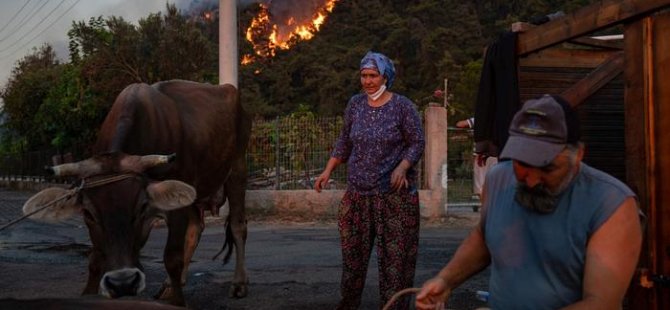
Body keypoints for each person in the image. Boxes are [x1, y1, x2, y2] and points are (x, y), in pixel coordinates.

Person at [416, 94, 642, 309]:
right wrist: (446, 280)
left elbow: (602, 304)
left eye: (547, 168)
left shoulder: (612, 203)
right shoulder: (498, 178)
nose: (531, 180)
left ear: (579, 155)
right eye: (522, 163)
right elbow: (484, 237)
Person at [314, 51, 425, 310]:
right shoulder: (355, 105)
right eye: (363, 76)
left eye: (373, 75)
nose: (367, 81)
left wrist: (403, 167)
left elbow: (417, 142)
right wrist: (328, 170)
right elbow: (344, 141)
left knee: (395, 266)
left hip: (393, 198)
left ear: (385, 76)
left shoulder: (402, 107)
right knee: (353, 261)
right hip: (357, 196)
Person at [455, 117, 498, 201]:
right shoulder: (500, 119)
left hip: (481, 156)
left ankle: (485, 207)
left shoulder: (479, 119)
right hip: (496, 154)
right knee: (494, 184)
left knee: (481, 186)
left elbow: (459, 124)